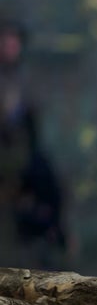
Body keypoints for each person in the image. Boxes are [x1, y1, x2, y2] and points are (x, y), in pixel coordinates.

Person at [0, 13, 68, 270]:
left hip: (22, 157)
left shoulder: (19, 79)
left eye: (14, 40)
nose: (11, 46)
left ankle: (51, 234)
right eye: (6, 40)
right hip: (7, 157)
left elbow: (30, 127)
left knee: (46, 181)